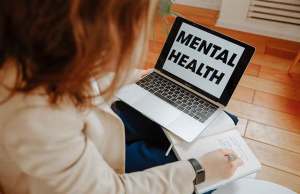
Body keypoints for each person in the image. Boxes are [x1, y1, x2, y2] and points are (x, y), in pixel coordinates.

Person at [0, 1, 243, 194]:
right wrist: (199, 170)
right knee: (208, 174)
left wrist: (138, 76)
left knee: (225, 119)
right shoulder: (36, 114)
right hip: (89, 161)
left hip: (92, 122)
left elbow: (81, 81)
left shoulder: (35, 50)